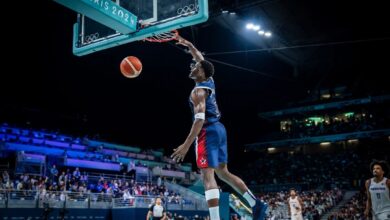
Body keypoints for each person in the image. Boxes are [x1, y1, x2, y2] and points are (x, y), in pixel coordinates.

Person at [171, 35, 267, 220]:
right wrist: (189, 44)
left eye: (195, 67)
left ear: (201, 73)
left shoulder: (198, 91)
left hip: (207, 131)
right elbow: (200, 58)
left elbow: (198, 121)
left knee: (207, 175)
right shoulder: (209, 81)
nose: (192, 66)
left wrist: (185, 144)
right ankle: (256, 204)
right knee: (223, 172)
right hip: (220, 130)